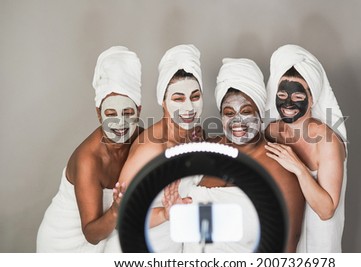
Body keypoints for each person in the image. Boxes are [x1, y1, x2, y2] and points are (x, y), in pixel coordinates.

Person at [166, 58, 304, 252]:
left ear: (260, 110)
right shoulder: (206, 149)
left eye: (246, 111)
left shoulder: (279, 168)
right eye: (229, 112)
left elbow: (285, 248)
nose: (237, 121)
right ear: (221, 117)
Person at [36, 46, 143, 252]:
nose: (119, 123)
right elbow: (91, 234)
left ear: (139, 110)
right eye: (110, 113)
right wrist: (116, 211)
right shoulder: (88, 159)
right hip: (65, 245)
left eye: (128, 112)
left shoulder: (142, 137)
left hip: (109, 239)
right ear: (99, 114)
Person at [103, 44, 204, 253]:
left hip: (173, 245)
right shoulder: (150, 149)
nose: (189, 108)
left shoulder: (195, 134)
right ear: (163, 101)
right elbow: (123, 215)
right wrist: (165, 214)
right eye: (178, 98)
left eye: (195, 96)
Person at [264, 44, 348, 253]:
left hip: (319, 246)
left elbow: (326, 210)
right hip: (284, 242)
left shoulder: (327, 142)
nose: (288, 103)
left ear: (312, 99)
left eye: (298, 97)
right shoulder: (272, 132)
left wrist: (298, 168)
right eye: (282, 96)